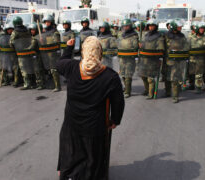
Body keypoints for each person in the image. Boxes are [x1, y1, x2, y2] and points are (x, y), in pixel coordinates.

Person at [56, 36, 125, 180]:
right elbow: (118, 102)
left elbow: (60, 63)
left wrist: (69, 47)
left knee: (71, 155)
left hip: (71, 124)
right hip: (95, 127)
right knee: (92, 160)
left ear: (83, 52)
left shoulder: (71, 67)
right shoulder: (110, 76)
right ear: (100, 53)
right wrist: (115, 120)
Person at [10, 16, 41, 90]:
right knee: (29, 67)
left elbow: (11, 43)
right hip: (29, 52)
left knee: (23, 69)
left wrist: (15, 49)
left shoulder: (15, 32)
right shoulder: (27, 30)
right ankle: (33, 82)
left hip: (20, 53)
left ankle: (27, 84)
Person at [138, 19, 165, 99]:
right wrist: (140, 45)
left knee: (150, 78)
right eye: (149, 26)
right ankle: (147, 89)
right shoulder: (145, 35)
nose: (151, 27)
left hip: (153, 60)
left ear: (156, 26)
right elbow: (142, 45)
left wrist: (158, 58)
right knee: (143, 76)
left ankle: (151, 93)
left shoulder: (159, 37)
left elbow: (160, 49)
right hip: (144, 60)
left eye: (152, 26)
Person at [164, 19, 189, 103]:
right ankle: (167, 92)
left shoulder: (182, 36)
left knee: (175, 78)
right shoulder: (166, 36)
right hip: (167, 60)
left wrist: (181, 52)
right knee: (166, 77)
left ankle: (175, 96)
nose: (180, 28)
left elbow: (186, 46)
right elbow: (162, 46)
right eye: (179, 27)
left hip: (178, 60)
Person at [38, 15, 62, 92]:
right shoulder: (44, 32)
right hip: (46, 54)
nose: (47, 23)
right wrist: (41, 40)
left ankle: (58, 86)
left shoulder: (55, 32)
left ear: (51, 22)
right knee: (48, 70)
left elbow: (56, 43)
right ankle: (50, 84)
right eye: (45, 22)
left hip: (53, 54)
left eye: (48, 22)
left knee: (54, 70)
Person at [117, 18, 139, 98]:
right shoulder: (121, 35)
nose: (125, 28)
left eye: (127, 26)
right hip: (122, 58)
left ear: (130, 26)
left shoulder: (134, 35)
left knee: (128, 75)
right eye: (124, 26)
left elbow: (135, 46)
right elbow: (118, 45)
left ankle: (127, 91)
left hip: (130, 58)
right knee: (123, 74)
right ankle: (126, 87)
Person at [188, 21, 205, 93]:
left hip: (201, 59)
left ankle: (198, 87)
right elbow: (187, 48)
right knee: (191, 73)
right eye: (200, 29)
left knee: (199, 74)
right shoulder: (191, 38)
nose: (202, 30)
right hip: (191, 58)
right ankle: (191, 85)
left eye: (203, 29)